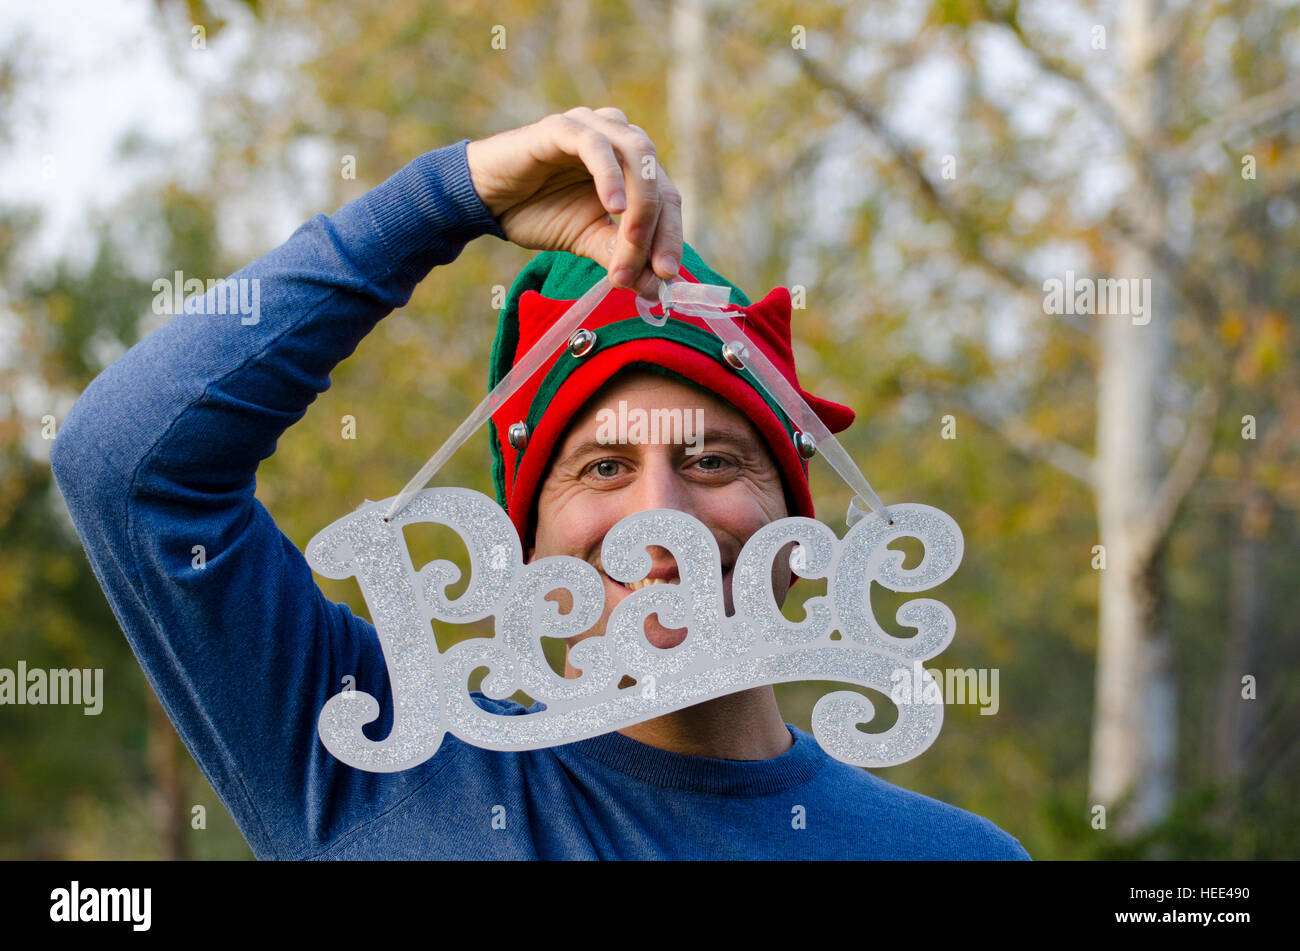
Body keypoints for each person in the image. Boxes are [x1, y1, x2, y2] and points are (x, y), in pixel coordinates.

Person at [52, 106, 1030, 860]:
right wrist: (442, 199)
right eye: (603, 467)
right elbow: (129, 464)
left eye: (712, 461)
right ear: (521, 538)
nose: (662, 520)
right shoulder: (375, 770)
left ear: (798, 511)